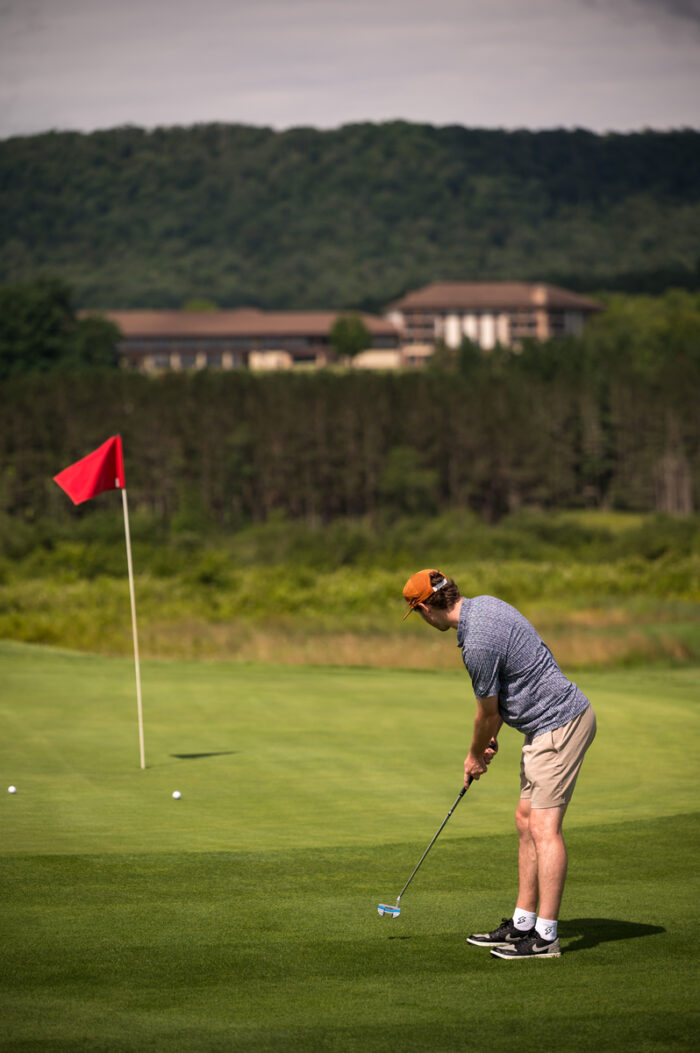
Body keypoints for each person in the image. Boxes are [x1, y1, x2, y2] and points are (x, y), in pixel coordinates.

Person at [402, 568, 596, 960]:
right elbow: (516, 676)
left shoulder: (476, 643)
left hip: (558, 725)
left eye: (418, 613)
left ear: (425, 607)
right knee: (525, 821)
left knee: (544, 828)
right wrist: (492, 735)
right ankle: (523, 923)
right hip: (545, 725)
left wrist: (475, 754)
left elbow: (486, 713)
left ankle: (545, 938)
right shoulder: (487, 606)